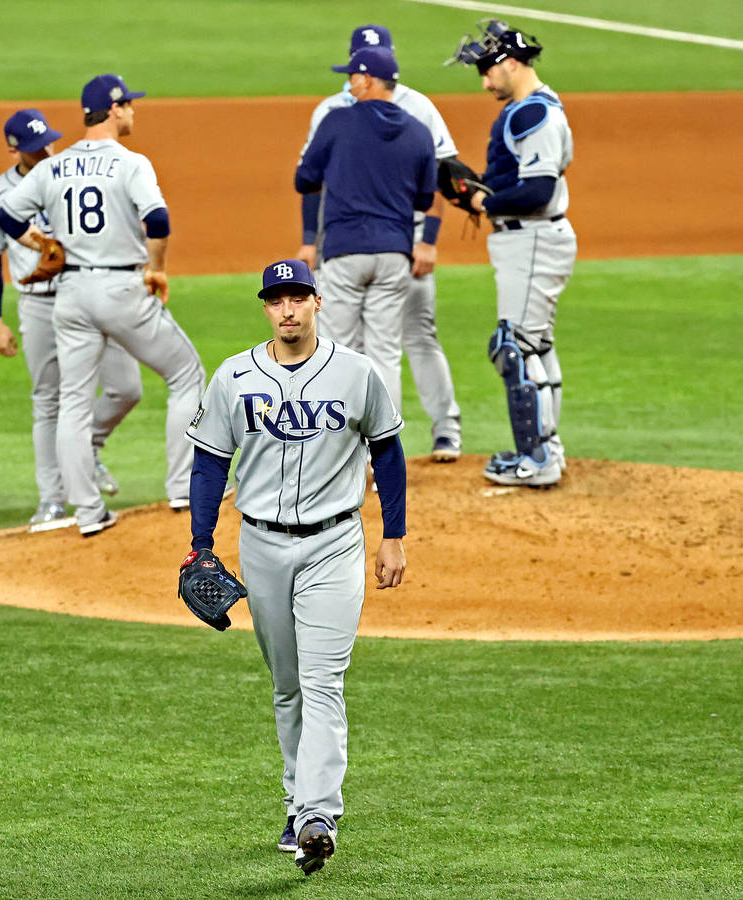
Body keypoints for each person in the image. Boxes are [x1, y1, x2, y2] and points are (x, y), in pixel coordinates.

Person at [182, 258, 407, 876]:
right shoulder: (233, 376)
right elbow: (209, 466)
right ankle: (295, 803)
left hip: (336, 543)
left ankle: (318, 815)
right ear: (266, 308)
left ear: (316, 302)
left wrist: (395, 535)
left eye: (297, 298)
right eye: (276, 300)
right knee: (288, 687)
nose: (287, 310)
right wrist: (201, 546)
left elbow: (387, 451)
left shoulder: (357, 373)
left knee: (323, 681)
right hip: (261, 545)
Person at [0, 75, 206, 535]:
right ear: (113, 109)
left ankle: (88, 514)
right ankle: (183, 488)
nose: (133, 111)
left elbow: (6, 215)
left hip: (69, 298)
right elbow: (158, 219)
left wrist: (42, 242)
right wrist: (158, 268)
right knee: (186, 373)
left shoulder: (53, 167)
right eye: (129, 104)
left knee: (73, 401)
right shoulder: (131, 163)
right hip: (120, 290)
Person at [0, 109, 141, 532]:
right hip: (39, 306)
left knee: (126, 388)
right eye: (32, 147)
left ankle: (86, 449)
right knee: (48, 401)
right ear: (13, 150)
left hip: (88, 294)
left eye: (47, 140)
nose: (44, 150)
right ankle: (52, 500)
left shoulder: (67, 176)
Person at [297, 24, 462, 462]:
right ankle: (379, 450)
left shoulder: (418, 107)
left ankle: (445, 428)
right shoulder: (330, 109)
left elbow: (443, 178)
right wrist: (309, 242)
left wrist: (428, 241)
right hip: (386, 246)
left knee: (414, 335)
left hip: (393, 242)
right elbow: (312, 188)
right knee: (380, 349)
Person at [447, 20, 576, 487]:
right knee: (534, 344)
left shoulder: (531, 114)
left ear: (512, 62)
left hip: (533, 237)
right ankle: (549, 452)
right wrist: (479, 190)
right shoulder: (540, 105)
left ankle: (537, 460)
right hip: (531, 237)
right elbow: (521, 179)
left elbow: (539, 190)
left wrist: (484, 201)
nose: (484, 82)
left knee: (514, 347)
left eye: (488, 70)